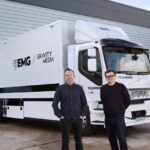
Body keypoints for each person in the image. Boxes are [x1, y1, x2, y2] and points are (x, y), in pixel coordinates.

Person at [52, 68, 87, 150]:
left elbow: (84, 103)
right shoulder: (60, 88)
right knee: (65, 141)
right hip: (65, 119)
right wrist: (60, 116)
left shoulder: (79, 88)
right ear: (65, 77)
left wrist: (82, 115)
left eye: (70, 75)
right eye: (67, 75)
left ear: (74, 76)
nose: (69, 77)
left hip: (78, 119)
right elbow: (54, 104)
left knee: (79, 140)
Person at [100, 69, 130, 150]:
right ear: (106, 77)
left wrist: (121, 110)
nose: (110, 78)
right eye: (108, 76)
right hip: (108, 118)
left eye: (111, 76)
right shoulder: (103, 88)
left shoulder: (121, 87)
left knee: (122, 139)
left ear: (115, 76)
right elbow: (103, 101)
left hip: (118, 117)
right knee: (111, 139)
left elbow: (127, 100)